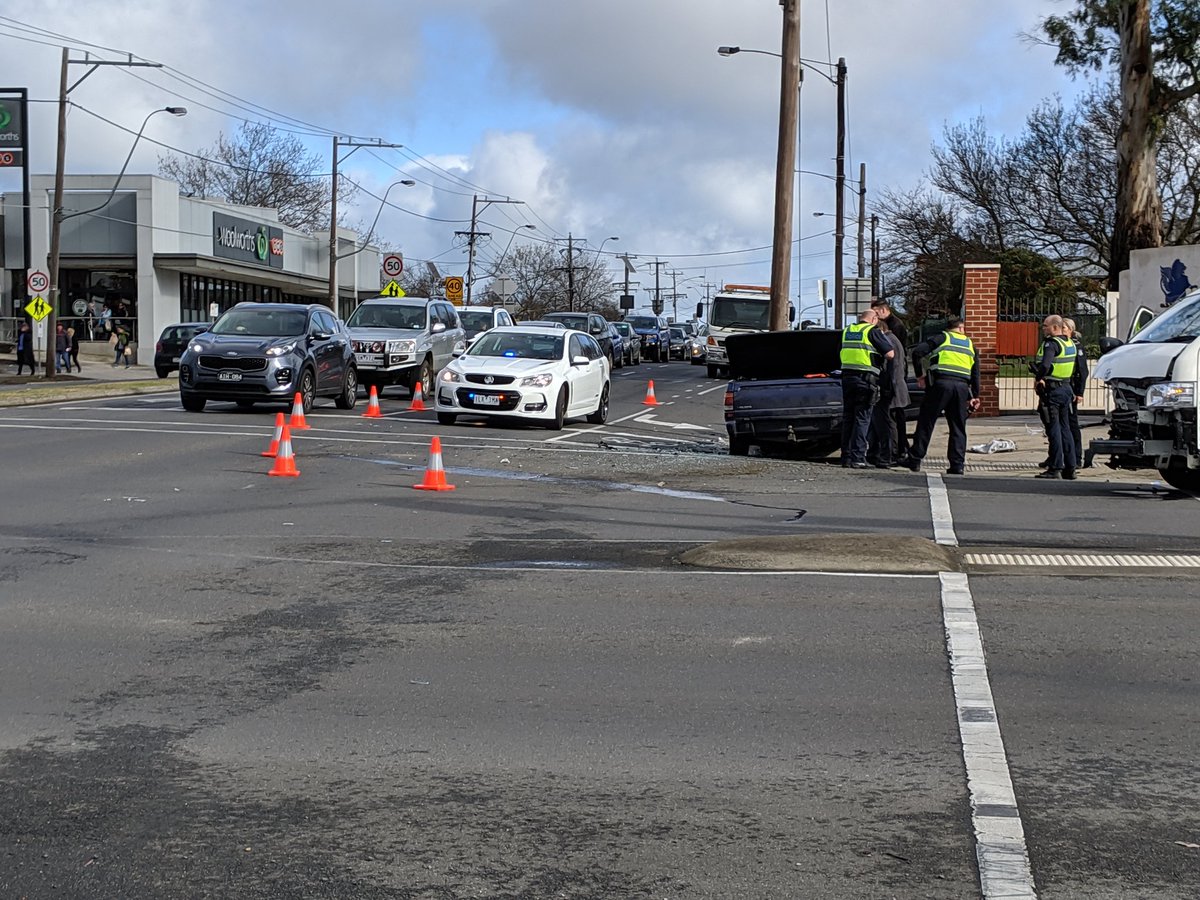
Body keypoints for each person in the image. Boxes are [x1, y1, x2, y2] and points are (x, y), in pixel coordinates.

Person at [905, 316, 981, 475]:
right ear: (961, 328)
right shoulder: (970, 345)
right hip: (961, 388)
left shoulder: (942, 338)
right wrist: (975, 396)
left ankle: (915, 459)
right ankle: (957, 465)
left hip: (940, 385)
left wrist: (920, 375)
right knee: (958, 427)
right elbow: (976, 373)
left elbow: (917, 352)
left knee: (927, 421)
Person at [839, 308, 895, 469]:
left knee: (848, 417)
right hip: (865, 380)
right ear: (874, 319)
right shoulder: (872, 331)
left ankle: (846, 457)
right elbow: (890, 354)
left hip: (847, 378)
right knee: (862, 418)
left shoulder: (847, 331)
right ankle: (858, 457)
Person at [1032, 314, 1078, 479]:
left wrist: (1039, 377)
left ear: (1054, 327)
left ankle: (1055, 467)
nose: (1043, 328)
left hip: (1053, 390)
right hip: (1066, 388)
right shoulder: (1070, 343)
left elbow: (1045, 364)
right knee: (1066, 428)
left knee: (1054, 429)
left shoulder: (1051, 344)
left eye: (1045, 326)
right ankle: (1070, 467)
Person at [868, 317, 910, 467]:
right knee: (888, 423)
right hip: (895, 387)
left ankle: (890, 455)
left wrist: (886, 388)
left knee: (887, 424)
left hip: (891, 388)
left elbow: (890, 367)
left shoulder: (888, 341)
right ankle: (886, 453)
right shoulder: (892, 339)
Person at [1064, 317, 1089, 468]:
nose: (1062, 330)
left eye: (1065, 328)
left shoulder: (1076, 346)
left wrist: (1079, 392)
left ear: (1071, 330)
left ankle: (1077, 457)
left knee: (1072, 424)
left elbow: (1082, 371)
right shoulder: (1061, 344)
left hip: (1072, 389)